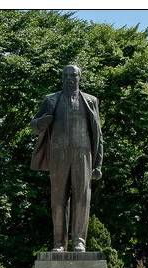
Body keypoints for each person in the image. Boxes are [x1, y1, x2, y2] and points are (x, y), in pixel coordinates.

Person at [30, 65, 103, 252]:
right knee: (58, 199)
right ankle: (59, 243)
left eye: (74, 75)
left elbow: (98, 134)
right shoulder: (51, 100)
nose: (70, 78)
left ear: (80, 77)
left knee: (82, 198)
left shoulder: (91, 101)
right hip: (58, 155)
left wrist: (98, 164)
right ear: (62, 78)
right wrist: (40, 123)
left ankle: (79, 240)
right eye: (66, 75)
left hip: (83, 154)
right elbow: (34, 124)